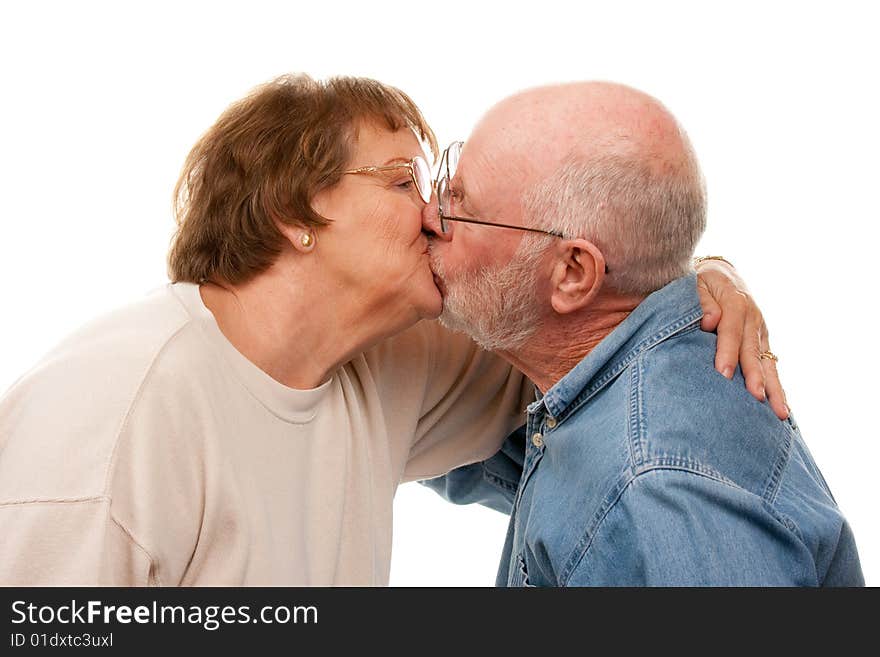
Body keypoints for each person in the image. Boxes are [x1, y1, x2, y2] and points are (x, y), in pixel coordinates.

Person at [0, 74, 779, 586]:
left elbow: (584, 324)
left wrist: (706, 276)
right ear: (294, 214)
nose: (437, 213)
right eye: (405, 181)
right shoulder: (110, 411)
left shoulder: (385, 366)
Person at [422, 81, 863, 586]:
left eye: (461, 206)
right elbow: (446, 446)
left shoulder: (657, 489)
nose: (430, 218)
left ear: (572, 273)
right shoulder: (608, 385)